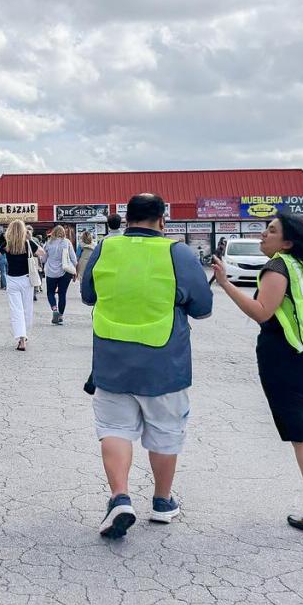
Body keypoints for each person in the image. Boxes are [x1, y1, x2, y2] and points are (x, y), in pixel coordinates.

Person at [211, 212, 303, 539]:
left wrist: (224, 283)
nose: (263, 236)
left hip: (290, 360)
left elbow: (261, 311)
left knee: (301, 435)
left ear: (288, 241)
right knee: (301, 428)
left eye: (271, 231)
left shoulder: (278, 266)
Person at [81, 193, 212, 539]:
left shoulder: (106, 248)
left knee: (114, 428)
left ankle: (120, 497)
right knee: (166, 432)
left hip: (111, 361)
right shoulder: (177, 253)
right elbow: (202, 307)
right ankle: (162, 501)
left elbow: (88, 295)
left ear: (127, 220)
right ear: (162, 221)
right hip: (164, 365)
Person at [0, 219, 45, 350]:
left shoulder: (6, 243)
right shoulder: (28, 243)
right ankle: (24, 337)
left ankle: (21, 338)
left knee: (16, 310)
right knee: (27, 308)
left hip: (12, 279)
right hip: (26, 279)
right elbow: (42, 252)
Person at [40, 225, 79, 325]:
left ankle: (54, 309)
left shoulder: (48, 243)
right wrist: (75, 270)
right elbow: (73, 258)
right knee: (62, 294)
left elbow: (43, 259)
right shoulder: (67, 242)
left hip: (50, 272)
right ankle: (61, 316)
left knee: (50, 293)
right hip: (64, 272)